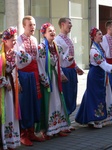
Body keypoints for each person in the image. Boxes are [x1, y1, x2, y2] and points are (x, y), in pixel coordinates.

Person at [75, 27, 112, 128]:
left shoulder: (98, 47)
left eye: (101, 34)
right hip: (96, 76)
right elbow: (105, 65)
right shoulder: (94, 51)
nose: (101, 36)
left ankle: (93, 118)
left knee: (94, 96)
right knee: (95, 97)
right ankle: (95, 119)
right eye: (99, 34)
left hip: (100, 75)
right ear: (94, 37)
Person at [36, 22, 70, 138]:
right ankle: (46, 130)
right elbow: (40, 65)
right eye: (49, 31)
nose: (52, 32)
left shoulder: (57, 47)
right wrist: (44, 80)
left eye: (53, 30)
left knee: (57, 102)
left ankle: (58, 127)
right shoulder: (41, 48)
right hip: (47, 79)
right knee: (48, 103)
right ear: (44, 34)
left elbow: (59, 63)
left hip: (55, 78)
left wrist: (61, 74)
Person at [15, 15, 44, 146]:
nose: (33, 27)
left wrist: (42, 76)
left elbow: (37, 59)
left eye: (34, 24)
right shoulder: (18, 41)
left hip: (34, 74)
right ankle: (23, 134)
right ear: (24, 26)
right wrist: (18, 82)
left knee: (34, 103)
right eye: (30, 25)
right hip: (24, 75)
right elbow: (16, 62)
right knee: (25, 104)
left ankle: (32, 132)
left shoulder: (34, 39)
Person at [55, 17, 84, 130]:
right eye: (69, 23)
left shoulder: (69, 39)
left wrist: (77, 68)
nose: (71, 25)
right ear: (62, 24)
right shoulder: (58, 40)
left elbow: (71, 57)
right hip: (65, 70)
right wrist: (61, 73)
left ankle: (67, 122)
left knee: (72, 95)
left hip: (71, 70)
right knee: (65, 96)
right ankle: (63, 123)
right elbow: (59, 59)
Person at [0, 27, 20, 149]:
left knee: (10, 111)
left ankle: (10, 139)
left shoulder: (13, 54)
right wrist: (4, 82)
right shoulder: (1, 56)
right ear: (5, 41)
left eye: (15, 40)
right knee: (4, 112)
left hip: (10, 86)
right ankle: (3, 141)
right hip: (3, 88)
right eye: (13, 40)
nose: (14, 42)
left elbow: (27, 59)